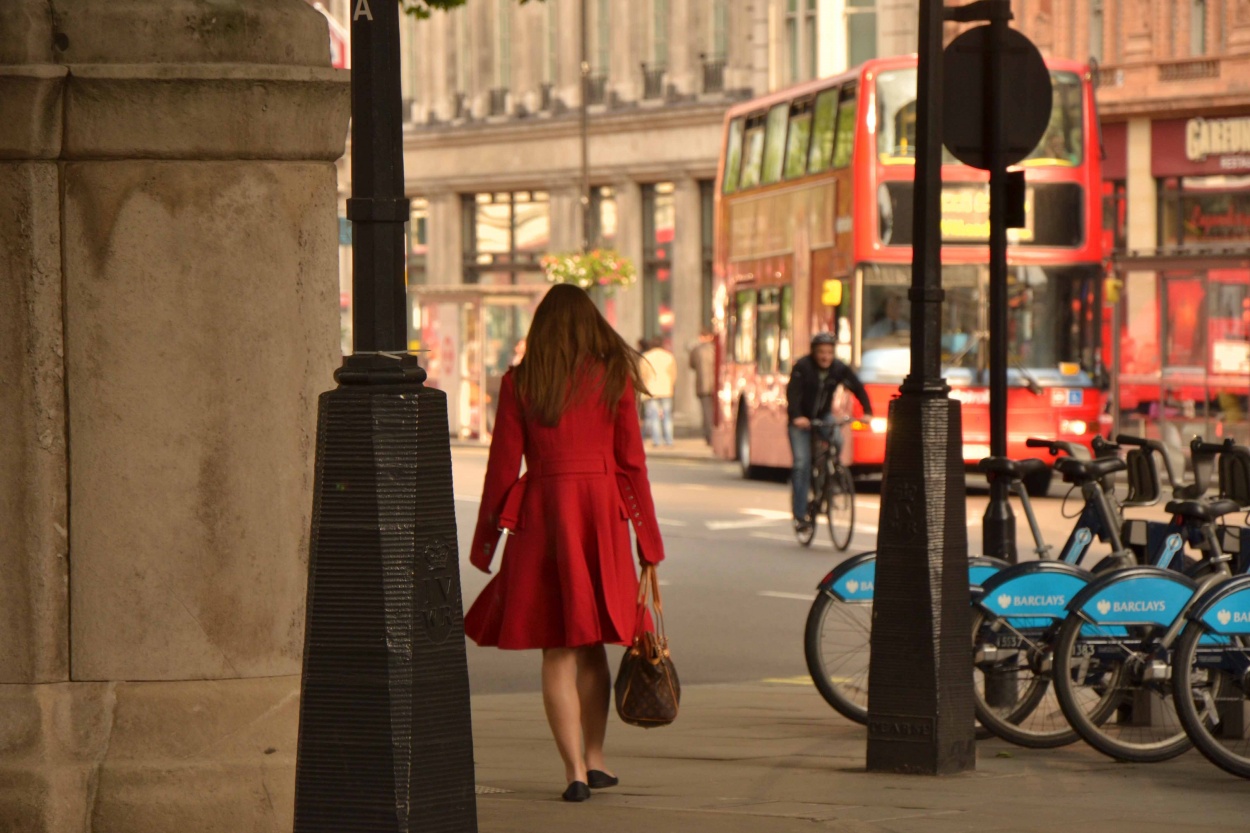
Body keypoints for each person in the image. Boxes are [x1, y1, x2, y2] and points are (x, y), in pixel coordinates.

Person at [465, 284, 666, 803]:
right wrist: (648, 542)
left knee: (558, 647)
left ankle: (574, 770)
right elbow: (632, 465)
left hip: (545, 515)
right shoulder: (614, 378)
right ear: (590, 324)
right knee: (593, 641)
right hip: (598, 513)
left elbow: (502, 468)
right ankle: (597, 759)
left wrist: (486, 543)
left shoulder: (520, 383)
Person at [786, 332, 874, 534]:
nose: (825, 356)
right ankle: (800, 516)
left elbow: (858, 387)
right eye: (821, 352)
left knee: (837, 438)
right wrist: (798, 417)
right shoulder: (803, 367)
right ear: (814, 352)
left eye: (829, 352)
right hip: (800, 420)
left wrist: (868, 412)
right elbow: (793, 394)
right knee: (801, 464)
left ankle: (830, 474)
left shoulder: (839, 368)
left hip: (823, 415)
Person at [639, 337, 677, 447]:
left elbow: (643, 374)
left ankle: (657, 440)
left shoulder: (646, 357)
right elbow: (673, 374)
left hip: (652, 390)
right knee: (667, 415)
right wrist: (671, 385)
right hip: (666, 389)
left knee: (654, 416)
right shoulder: (669, 356)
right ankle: (669, 440)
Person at [688, 328, 716, 444]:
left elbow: (691, 365)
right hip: (716, 384)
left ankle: (709, 435)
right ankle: (714, 434)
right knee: (714, 412)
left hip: (702, 385)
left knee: (706, 412)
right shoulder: (716, 348)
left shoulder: (696, 350)